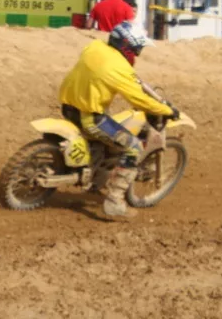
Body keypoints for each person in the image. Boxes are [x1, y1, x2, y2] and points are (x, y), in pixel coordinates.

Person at [58, 21, 177, 221]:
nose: (137, 53)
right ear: (127, 46)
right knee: (134, 148)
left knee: (107, 139)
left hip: (69, 107)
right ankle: (114, 202)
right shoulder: (119, 69)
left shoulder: (95, 47)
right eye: (137, 48)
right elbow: (139, 100)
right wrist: (167, 110)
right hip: (91, 118)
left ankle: (96, 179)